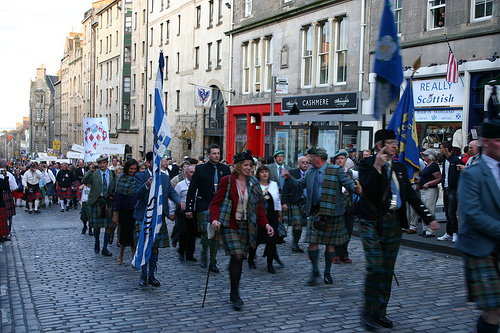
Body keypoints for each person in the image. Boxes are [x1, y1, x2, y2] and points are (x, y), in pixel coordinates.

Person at [353, 129, 440, 330]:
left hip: (392, 222)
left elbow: (410, 195)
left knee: (386, 270)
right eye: (390, 142)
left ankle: (380, 312)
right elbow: (368, 189)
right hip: (372, 221)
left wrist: (428, 218)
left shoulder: (400, 168)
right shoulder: (366, 164)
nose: (394, 145)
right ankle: (368, 311)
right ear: (379, 146)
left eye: (395, 142)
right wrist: (377, 167)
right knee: (375, 267)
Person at [282, 147, 361, 286]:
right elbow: (299, 185)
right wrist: (289, 178)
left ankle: (327, 272)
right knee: (312, 243)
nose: (309, 159)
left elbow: (347, 183)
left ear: (318, 157)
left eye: (310, 157)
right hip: (315, 213)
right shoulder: (310, 173)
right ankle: (314, 271)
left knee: (330, 245)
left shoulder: (335, 170)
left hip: (332, 213)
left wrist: (355, 188)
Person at [210, 150, 273, 311]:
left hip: (247, 225)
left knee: (238, 258)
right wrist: (214, 219)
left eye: (250, 165)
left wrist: (266, 224)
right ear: (239, 166)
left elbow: (259, 207)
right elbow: (215, 203)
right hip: (230, 223)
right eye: (245, 165)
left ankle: (234, 288)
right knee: (237, 256)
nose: (248, 167)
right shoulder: (227, 181)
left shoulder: (253, 182)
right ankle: (235, 293)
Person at [456, 117, 500, 333]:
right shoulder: (473, 174)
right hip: (481, 248)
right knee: (493, 309)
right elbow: (472, 214)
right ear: (488, 142)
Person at [133, 152, 180, 287]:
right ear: (148, 163)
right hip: (144, 216)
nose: (158, 164)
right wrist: (146, 185)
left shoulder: (164, 178)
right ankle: (143, 275)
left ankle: (151, 275)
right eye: (155, 161)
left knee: (154, 247)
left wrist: (180, 202)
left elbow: (172, 193)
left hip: (158, 217)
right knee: (144, 245)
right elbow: (136, 194)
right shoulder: (140, 176)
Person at [185, 144, 231, 272]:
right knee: (206, 234)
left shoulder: (225, 169)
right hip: (204, 205)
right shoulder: (200, 169)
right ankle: (204, 252)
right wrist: (189, 208)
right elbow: (192, 189)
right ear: (208, 155)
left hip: (220, 206)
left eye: (218, 153)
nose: (217, 155)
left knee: (216, 233)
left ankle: (213, 261)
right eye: (214, 153)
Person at [248, 165, 283, 274]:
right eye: (262, 172)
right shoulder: (255, 185)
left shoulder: (273, 184)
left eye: (266, 172)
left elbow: (277, 200)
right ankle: (251, 259)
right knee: (257, 240)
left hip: (272, 215)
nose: (264, 174)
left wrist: (280, 214)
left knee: (271, 241)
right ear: (258, 174)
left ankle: (270, 265)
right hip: (258, 216)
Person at [81, 154, 117, 256]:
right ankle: (97, 242)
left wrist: (113, 195)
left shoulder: (112, 174)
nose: (102, 165)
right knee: (97, 226)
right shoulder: (94, 174)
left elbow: (115, 186)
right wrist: (90, 171)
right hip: (97, 201)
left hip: (108, 202)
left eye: (104, 163)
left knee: (109, 226)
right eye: (100, 163)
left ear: (107, 163)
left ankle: (105, 247)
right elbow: (84, 181)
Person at [332, 149, 358, 264]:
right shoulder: (332, 172)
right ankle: (336, 254)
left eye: (342, 158)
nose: (340, 161)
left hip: (349, 205)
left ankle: (344, 253)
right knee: (338, 230)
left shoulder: (350, 173)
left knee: (348, 230)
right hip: (337, 205)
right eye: (338, 159)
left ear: (346, 160)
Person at [112, 159, 139, 265]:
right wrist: (115, 213)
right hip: (125, 209)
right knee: (124, 233)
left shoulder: (138, 178)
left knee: (135, 233)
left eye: (134, 169)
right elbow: (118, 197)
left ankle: (134, 255)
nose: (132, 171)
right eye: (131, 169)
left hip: (136, 209)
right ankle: (121, 252)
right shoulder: (122, 178)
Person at [437, 141, 464, 242]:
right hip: (446, 188)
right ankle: (449, 232)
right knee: (447, 213)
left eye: (441, 148)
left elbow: (459, 174)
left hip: (452, 189)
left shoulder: (455, 160)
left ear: (446, 149)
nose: (440, 150)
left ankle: (455, 232)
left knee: (451, 212)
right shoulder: (445, 160)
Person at [282, 155, 309, 253]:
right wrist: (284, 202)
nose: (305, 164)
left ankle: (311, 243)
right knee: (297, 223)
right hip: (294, 201)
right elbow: (285, 188)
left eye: (307, 162)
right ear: (298, 164)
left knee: (305, 223)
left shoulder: (311, 173)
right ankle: (295, 243)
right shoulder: (292, 173)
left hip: (307, 202)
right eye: (303, 162)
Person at [173, 164, 198, 262]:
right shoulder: (180, 185)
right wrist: (172, 212)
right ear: (186, 173)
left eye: (194, 172)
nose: (193, 174)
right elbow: (174, 198)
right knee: (183, 232)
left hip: (194, 211)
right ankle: (181, 251)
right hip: (182, 211)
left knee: (192, 234)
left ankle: (190, 254)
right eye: (191, 172)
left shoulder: (199, 184)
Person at [418, 149, 441, 237]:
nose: (424, 157)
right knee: (425, 208)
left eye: (426, 155)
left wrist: (429, 183)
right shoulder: (427, 165)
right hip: (424, 190)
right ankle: (425, 229)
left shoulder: (434, 166)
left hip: (430, 190)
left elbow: (439, 178)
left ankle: (430, 231)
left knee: (430, 209)